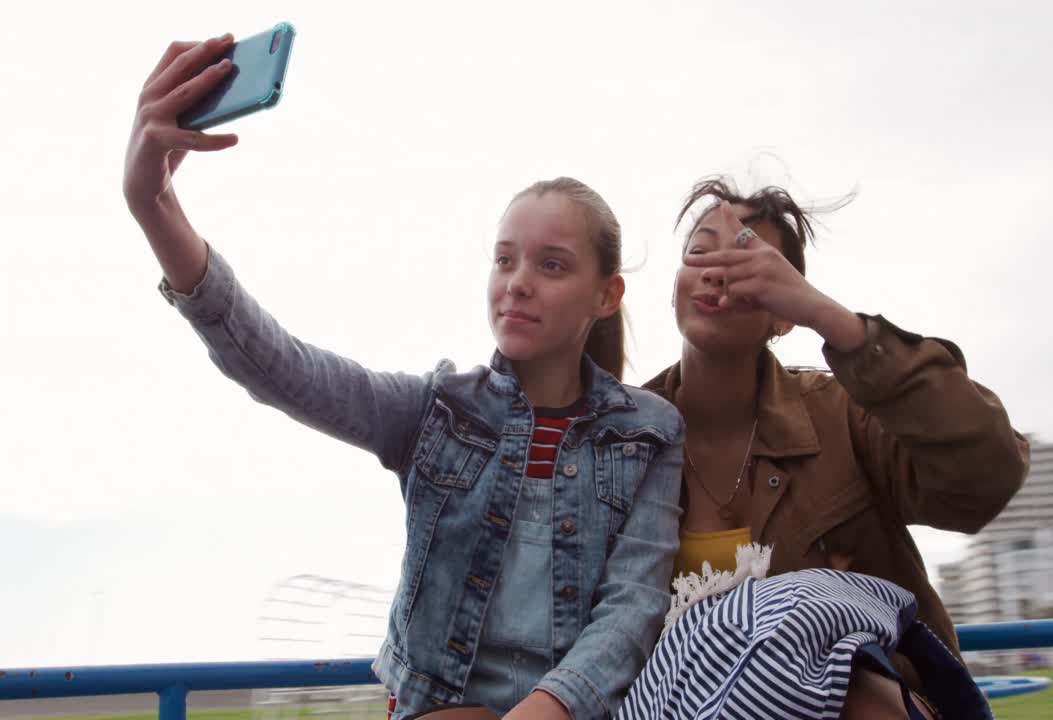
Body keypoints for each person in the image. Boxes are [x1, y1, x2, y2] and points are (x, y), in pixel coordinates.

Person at [121, 34, 685, 720]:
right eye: (505, 260)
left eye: (552, 265)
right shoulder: (437, 410)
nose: (517, 284)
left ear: (607, 295)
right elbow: (278, 367)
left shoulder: (650, 431)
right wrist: (154, 204)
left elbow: (633, 608)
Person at [644, 177, 1029, 715]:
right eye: (700, 251)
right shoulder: (622, 439)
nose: (717, 268)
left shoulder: (841, 414)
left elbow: (985, 478)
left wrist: (836, 322)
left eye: (749, 260)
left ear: (785, 313)